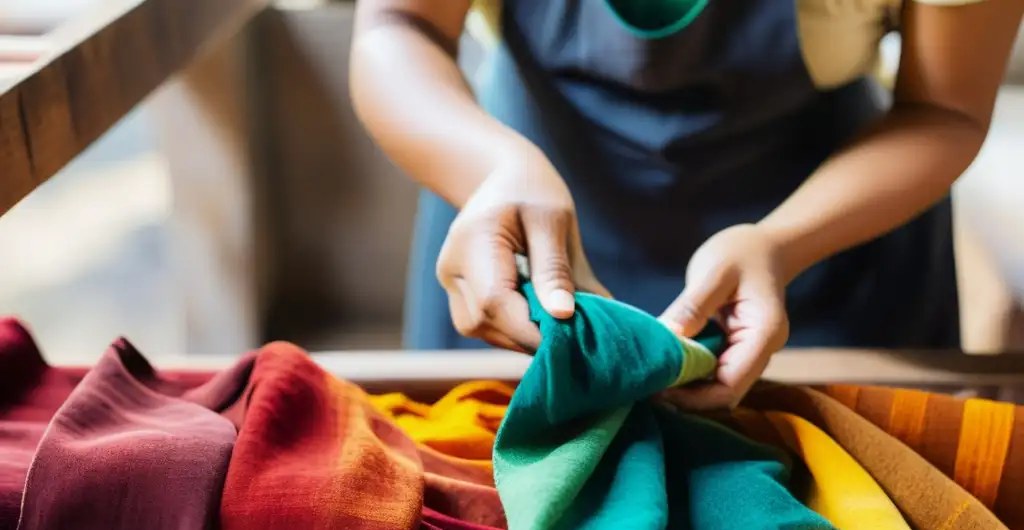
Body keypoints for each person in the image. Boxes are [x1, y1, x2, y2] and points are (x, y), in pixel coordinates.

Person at [350, 0, 1024, 409]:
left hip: (831, 260)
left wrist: (782, 245)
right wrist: (491, 170)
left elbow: (943, 107)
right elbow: (399, 22)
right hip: (511, 227)